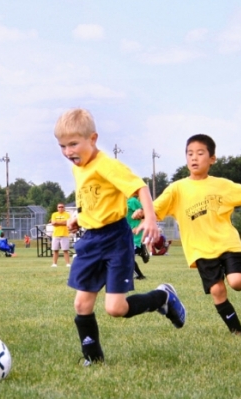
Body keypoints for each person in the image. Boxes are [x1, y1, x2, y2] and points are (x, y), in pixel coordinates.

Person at [55, 108, 186, 366]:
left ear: (92, 139)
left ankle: (163, 297)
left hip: (115, 240)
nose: (68, 151)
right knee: (82, 304)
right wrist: (76, 217)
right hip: (90, 241)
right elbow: (91, 201)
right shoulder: (77, 169)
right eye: (62, 146)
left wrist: (150, 218)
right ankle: (93, 358)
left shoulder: (106, 165)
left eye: (73, 144)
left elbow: (139, 187)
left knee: (115, 308)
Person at [153, 134, 241, 336]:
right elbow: (156, 208)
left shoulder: (222, 185)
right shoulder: (177, 189)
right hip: (200, 249)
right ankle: (237, 332)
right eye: (190, 153)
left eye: (200, 153)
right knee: (217, 291)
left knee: (237, 282)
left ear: (212, 158)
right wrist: (144, 212)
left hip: (227, 243)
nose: (194, 158)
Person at [127, 196, 150, 280]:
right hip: (125, 233)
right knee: (126, 256)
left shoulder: (132, 201)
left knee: (127, 256)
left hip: (135, 233)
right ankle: (141, 250)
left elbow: (145, 214)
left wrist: (139, 227)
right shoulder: (119, 202)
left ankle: (140, 275)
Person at [50, 203, 72, 267]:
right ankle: (54, 263)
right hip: (56, 234)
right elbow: (53, 223)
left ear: (64, 208)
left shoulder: (67, 214)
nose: (60, 208)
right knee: (55, 250)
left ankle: (68, 263)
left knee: (65, 250)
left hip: (64, 234)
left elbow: (67, 222)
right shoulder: (54, 214)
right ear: (57, 208)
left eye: (62, 207)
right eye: (59, 207)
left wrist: (57, 222)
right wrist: (62, 222)